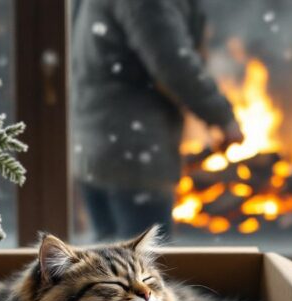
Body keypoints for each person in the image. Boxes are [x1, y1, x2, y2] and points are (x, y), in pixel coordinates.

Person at [71, 0, 244, 242]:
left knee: (106, 263)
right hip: (133, 153)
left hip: (97, 146)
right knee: (143, 267)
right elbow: (173, 61)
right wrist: (222, 117)